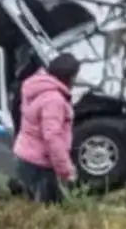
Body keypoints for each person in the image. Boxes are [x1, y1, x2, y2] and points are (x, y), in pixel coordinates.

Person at [12, 53, 81, 204]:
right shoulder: (53, 100)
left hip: (24, 157)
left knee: (33, 209)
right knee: (49, 212)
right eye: (75, 76)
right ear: (69, 77)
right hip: (39, 164)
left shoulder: (35, 87)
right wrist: (66, 170)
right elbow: (52, 137)